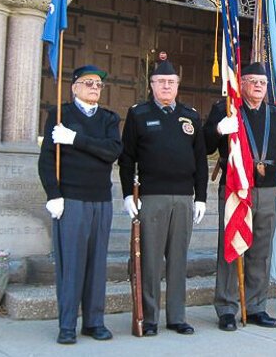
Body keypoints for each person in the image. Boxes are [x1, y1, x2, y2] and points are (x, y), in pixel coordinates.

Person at [203, 62, 276, 332]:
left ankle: (256, 306)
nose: (258, 86)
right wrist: (218, 130)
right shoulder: (225, 110)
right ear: (241, 83)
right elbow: (206, 145)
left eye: (263, 82)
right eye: (253, 81)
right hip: (236, 187)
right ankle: (226, 308)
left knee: (261, 250)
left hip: (267, 189)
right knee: (232, 248)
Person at [118, 59, 207, 336]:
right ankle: (150, 317)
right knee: (151, 260)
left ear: (178, 86)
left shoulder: (190, 115)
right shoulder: (138, 114)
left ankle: (177, 316)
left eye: (171, 82)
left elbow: (200, 160)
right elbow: (127, 158)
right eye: (161, 82)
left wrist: (201, 197)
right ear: (152, 85)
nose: (166, 86)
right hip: (152, 196)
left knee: (179, 259)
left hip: (183, 197)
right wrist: (126, 194)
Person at [38, 64, 122, 345]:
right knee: (71, 264)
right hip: (71, 199)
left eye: (98, 85)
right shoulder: (60, 115)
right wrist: (53, 194)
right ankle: (67, 325)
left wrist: (75, 139)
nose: (94, 88)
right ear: (74, 87)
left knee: (97, 264)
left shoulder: (109, 119)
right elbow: (47, 159)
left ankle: (94, 321)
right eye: (88, 83)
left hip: (100, 198)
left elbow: (111, 151)